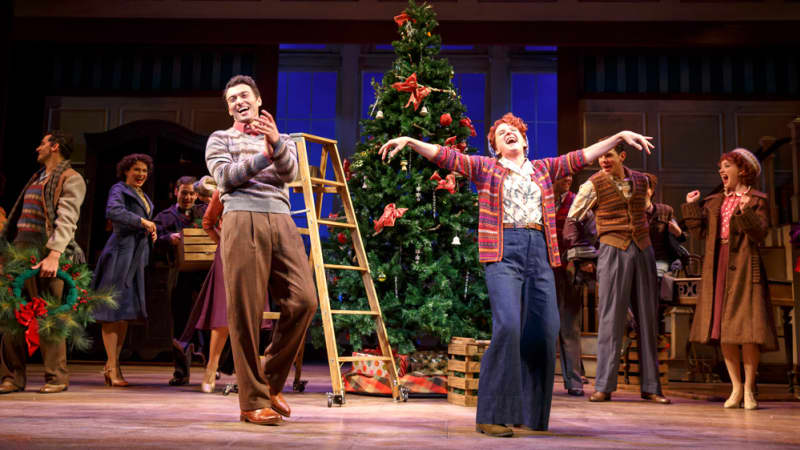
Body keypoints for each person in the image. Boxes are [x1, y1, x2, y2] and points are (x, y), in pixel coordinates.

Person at [379, 113, 654, 437]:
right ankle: (491, 414)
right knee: (508, 325)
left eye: (515, 132)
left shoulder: (544, 169)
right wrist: (411, 141)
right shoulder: (486, 169)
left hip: (539, 249)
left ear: (525, 141)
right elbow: (448, 156)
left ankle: (529, 412)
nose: (509, 134)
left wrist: (618, 136)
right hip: (502, 250)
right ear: (494, 146)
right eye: (501, 133)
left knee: (545, 330)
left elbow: (583, 155)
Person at [205, 74, 317, 425]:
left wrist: (276, 146)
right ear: (229, 108)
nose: (238, 102)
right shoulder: (220, 138)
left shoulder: (277, 136)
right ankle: (252, 401)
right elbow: (224, 178)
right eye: (231, 99)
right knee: (246, 311)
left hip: (281, 219)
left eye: (243, 96)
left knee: (304, 300)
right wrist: (263, 157)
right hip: (240, 218)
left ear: (257, 100)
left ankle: (268, 381)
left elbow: (291, 173)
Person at [566, 141, 670, 405]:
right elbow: (573, 217)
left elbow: (648, 209)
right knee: (611, 317)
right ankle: (604, 386)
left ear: (622, 156)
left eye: (608, 156)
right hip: (613, 248)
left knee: (647, 317)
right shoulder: (593, 184)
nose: (603, 160)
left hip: (643, 249)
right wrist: (584, 250)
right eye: (600, 157)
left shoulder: (641, 180)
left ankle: (651, 387)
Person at [682, 148, 777, 410]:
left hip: (745, 266)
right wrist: (692, 207)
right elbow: (700, 232)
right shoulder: (714, 202)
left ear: (742, 170)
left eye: (727, 166)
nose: (722, 171)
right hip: (718, 264)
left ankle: (749, 389)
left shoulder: (757, 200)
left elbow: (760, 234)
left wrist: (745, 212)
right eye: (720, 167)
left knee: (746, 331)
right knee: (723, 331)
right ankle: (735, 387)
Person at [0, 131, 86, 394]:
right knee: (10, 314)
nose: (38, 148)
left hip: (47, 249)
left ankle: (56, 377)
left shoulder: (71, 178)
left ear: (55, 146)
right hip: (20, 249)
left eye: (43, 143)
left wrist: (54, 254)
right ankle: (13, 376)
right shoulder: (37, 177)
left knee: (50, 314)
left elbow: (67, 219)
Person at [175, 179, 272, 394]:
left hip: (255, 255)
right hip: (228, 255)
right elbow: (208, 222)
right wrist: (222, 242)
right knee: (223, 315)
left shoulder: (263, 191)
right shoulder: (225, 189)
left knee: (252, 314)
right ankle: (211, 368)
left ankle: (246, 374)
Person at [91, 154, 157, 387]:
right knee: (112, 312)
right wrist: (142, 222)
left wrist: (150, 230)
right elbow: (114, 212)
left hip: (134, 257)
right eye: (136, 170)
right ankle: (111, 366)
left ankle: (115, 364)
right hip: (119, 255)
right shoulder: (118, 189)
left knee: (125, 312)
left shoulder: (142, 195)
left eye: (144, 171)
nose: (141, 174)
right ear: (126, 171)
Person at [153, 176, 208, 386]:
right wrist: (169, 239)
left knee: (206, 320)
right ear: (176, 191)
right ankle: (181, 372)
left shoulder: (204, 212)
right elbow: (153, 239)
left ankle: (210, 369)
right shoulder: (165, 216)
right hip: (178, 274)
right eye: (184, 192)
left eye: (192, 193)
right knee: (180, 322)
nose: (188, 197)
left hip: (203, 274)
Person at [552, 175, 585, 396]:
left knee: (569, 326)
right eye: (563, 174)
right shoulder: (541, 198)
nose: (568, 178)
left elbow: (587, 233)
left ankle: (574, 381)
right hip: (543, 268)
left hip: (569, 268)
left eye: (570, 174)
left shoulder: (577, 200)